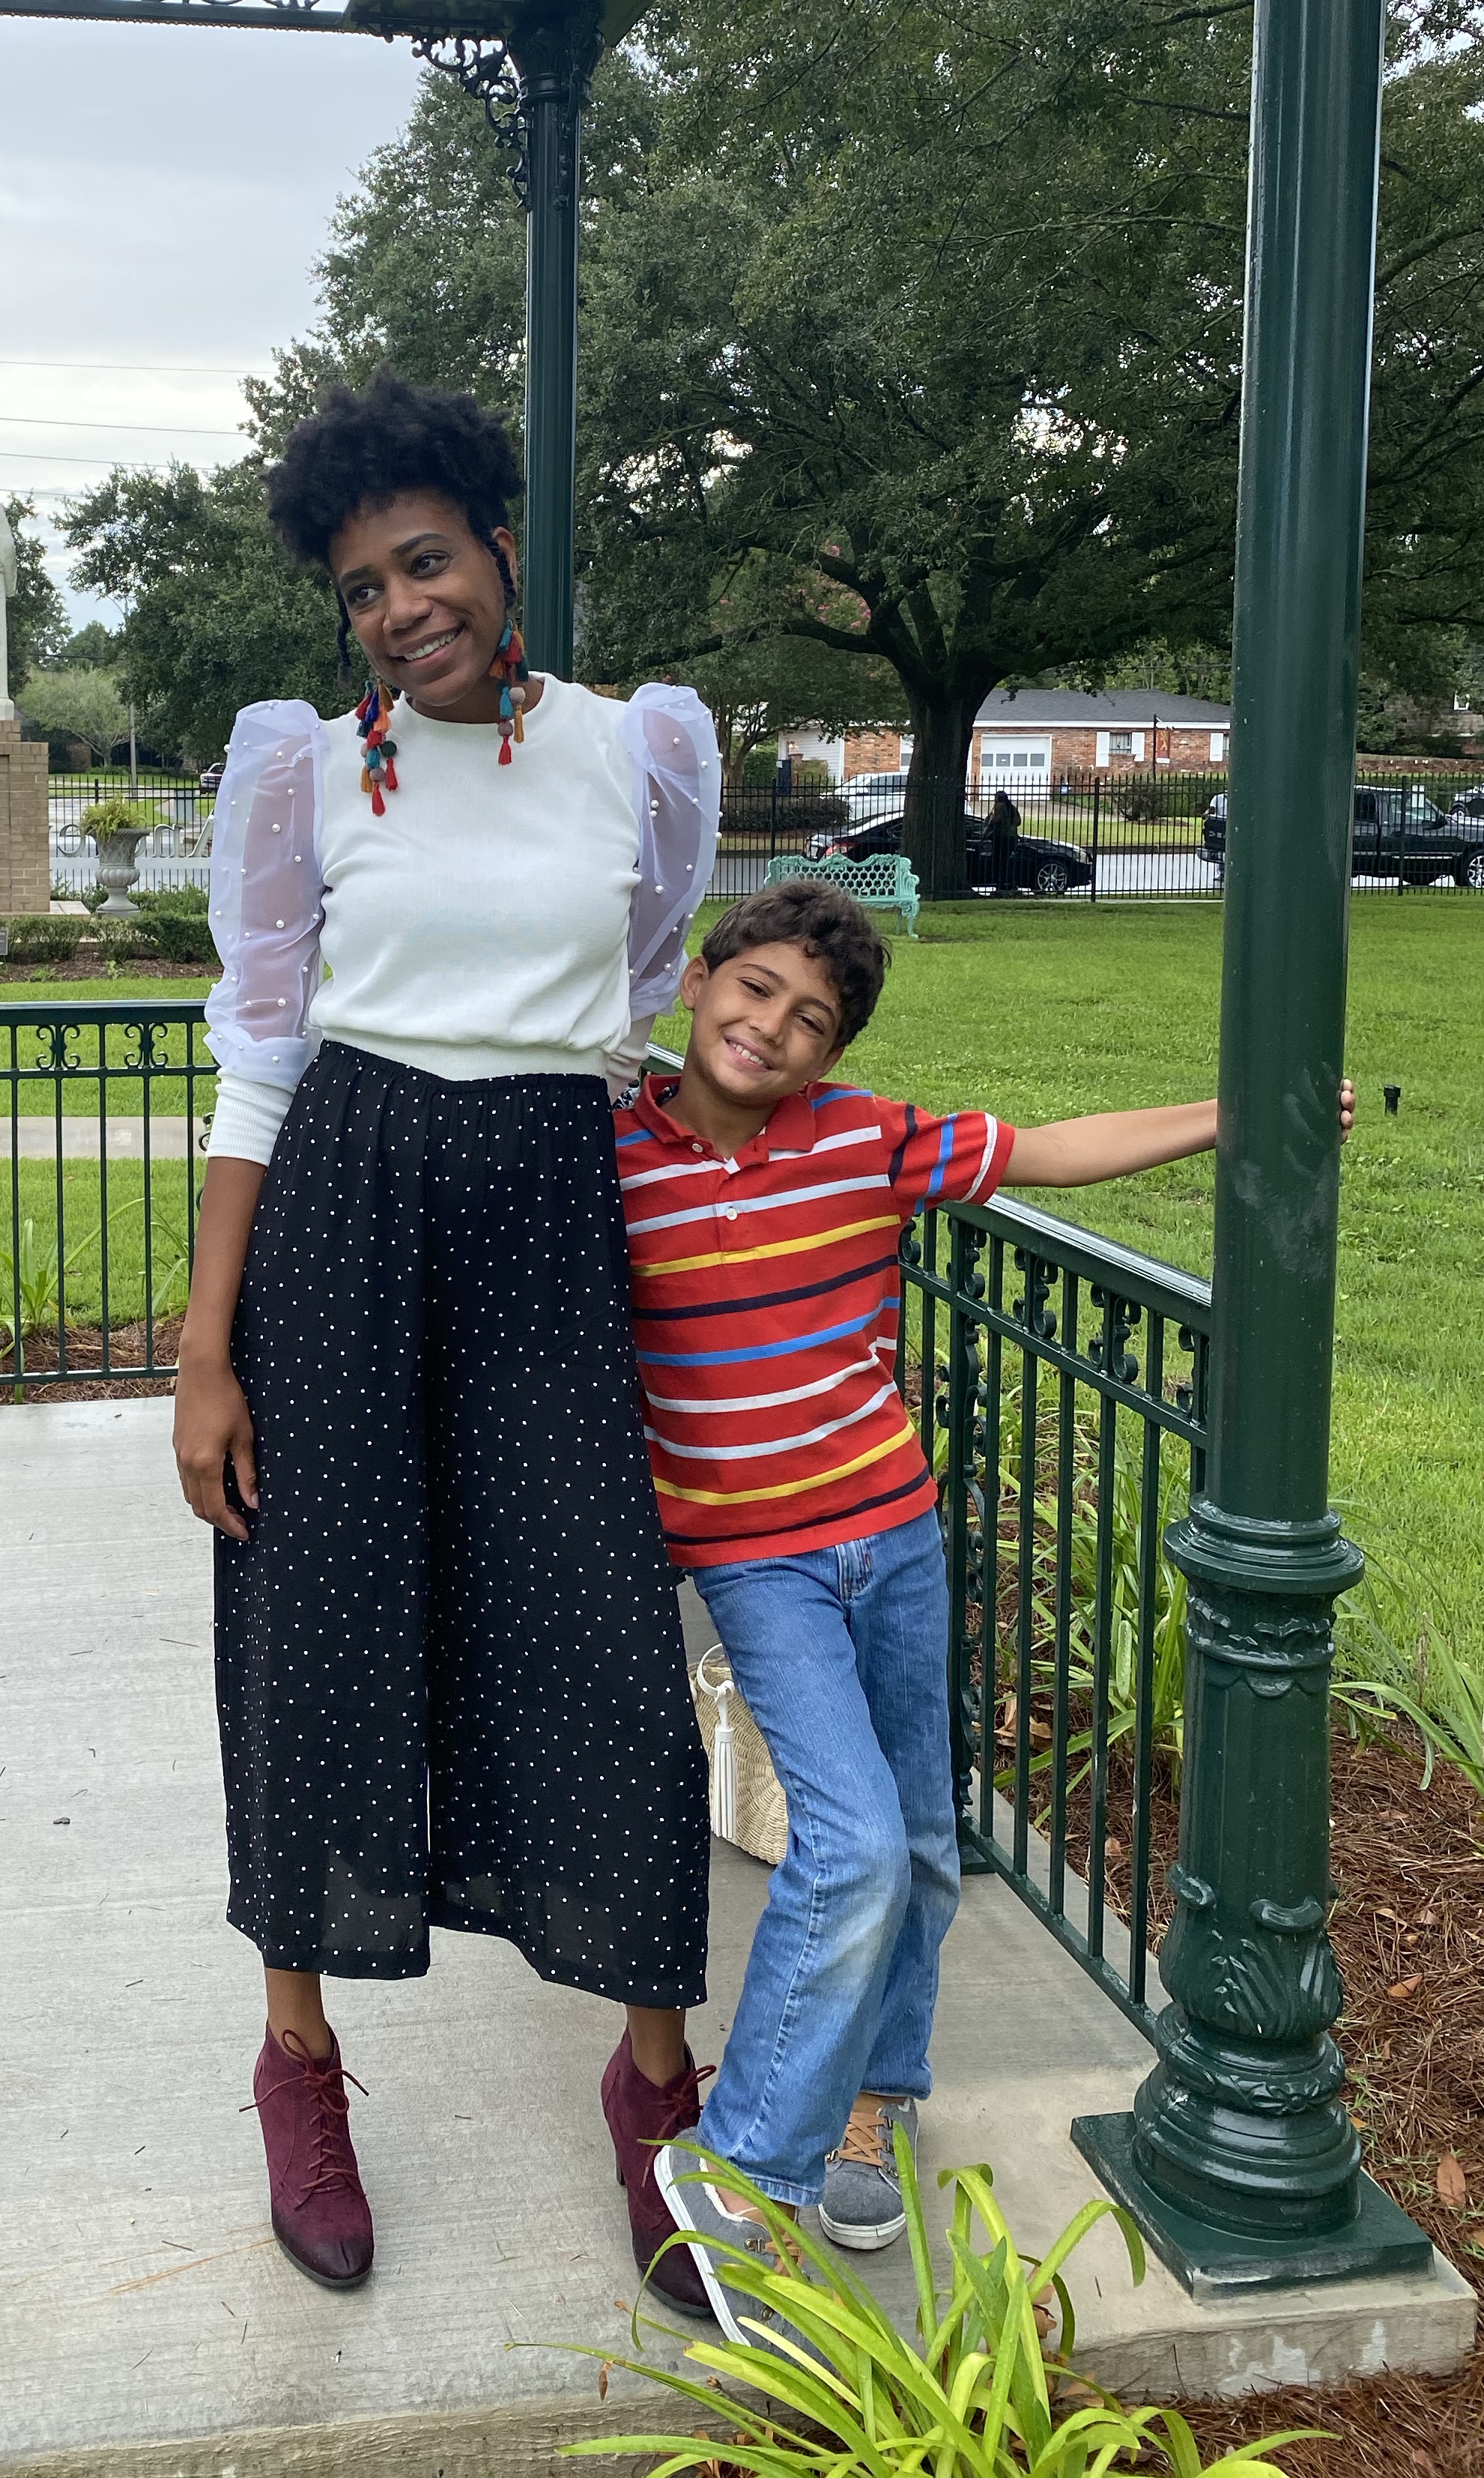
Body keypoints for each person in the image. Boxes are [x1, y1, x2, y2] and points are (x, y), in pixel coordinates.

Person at [613, 876, 1352, 2336]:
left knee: (927, 1851)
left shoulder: (862, 1139)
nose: (774, 1027)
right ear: (697, 983)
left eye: (811, 1019)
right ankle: (740, 2160)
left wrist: (1229, 1109)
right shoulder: (610, 1152)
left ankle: (864, 2115)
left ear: (837, 1051)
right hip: (755, 1566)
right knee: (857, 1843)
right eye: (753, 990)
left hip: (890, 1539)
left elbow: (1054, 1150)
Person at [172, 371, 721, 2303]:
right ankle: (300, 2058)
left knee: (597, 1644)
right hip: (343, 1209)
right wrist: (204, 1350)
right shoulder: (305, 775)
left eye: (425, 560)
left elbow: (635, 1005)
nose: (401, 608)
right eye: (362, 588)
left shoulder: (641, 756)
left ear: (501, 549)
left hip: (550, 1222)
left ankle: (655, 2091)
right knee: (311, 1632)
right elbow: (258, 1056)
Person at [986, 786, 1021, 891]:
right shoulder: (1012, 808)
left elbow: (993, 821)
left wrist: (991, 816)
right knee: (1007, 862)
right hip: (1012, 838)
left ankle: (1000, 884)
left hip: (1001, 838)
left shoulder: (1000, 807)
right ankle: (1010, 884)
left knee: (999, 862)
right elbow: (1018, 822)